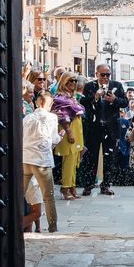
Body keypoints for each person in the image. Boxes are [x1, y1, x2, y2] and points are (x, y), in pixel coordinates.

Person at [80, 64, 129, 196]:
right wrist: (95, 97)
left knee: (110, 157)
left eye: (108, 74)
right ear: (97, 74)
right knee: (91, 157)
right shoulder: (90, 86)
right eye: (103, 75)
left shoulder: (117, 85)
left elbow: (125, 102)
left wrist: (114, 99)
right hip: (93, 127)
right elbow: (83, 102)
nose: (106, 77)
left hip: (111, 127)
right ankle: (88, 185)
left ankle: (106, 185)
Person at [22, 90, 61, 233]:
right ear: (48, 103)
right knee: (48, 197)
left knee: (20, 194)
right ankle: (53, 227)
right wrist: (60, 137)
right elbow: (54, 139)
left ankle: (12, 220)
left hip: (26, 159)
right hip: (42, 161)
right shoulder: (52, 118)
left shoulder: (27, 118)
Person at [52, 72, 86, 200]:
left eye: (75, 81)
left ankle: (72, 186)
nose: (73, 83)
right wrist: (69, 132)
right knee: (69, 160)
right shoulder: (60, 97)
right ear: (64, 82)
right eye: (70, 81)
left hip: (77, 128)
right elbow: (63, 117)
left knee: (75, 159)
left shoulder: (72, 97)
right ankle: (65, 187)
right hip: (68, 130)